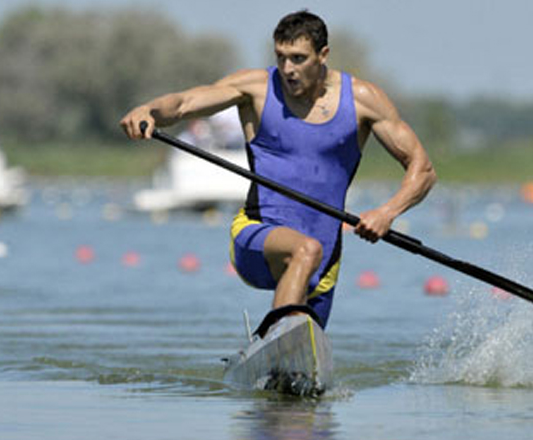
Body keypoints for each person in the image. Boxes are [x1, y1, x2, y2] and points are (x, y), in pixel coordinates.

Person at [120, 10, 436, 328]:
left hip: (325, 260)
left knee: (302, 358)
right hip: (257, 236)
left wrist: (387, 213)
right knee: (304, 250)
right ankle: (276, 336)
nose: (287, 69)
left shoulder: (363, 99)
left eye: (298, 58)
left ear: (323, 55)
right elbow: (184, 103)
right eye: (281, 57)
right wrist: (149, 110)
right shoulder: (255, 88)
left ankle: (276, 351)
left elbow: (422, 170)